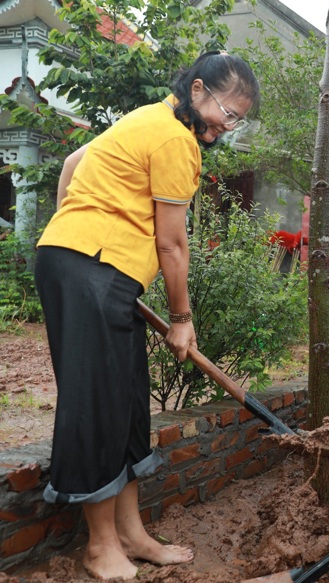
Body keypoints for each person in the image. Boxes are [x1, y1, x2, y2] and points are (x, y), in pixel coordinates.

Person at [34, 51, 259, 580]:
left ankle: (132, 534)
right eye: (227, 113)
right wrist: (181, 316)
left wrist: (73, 230)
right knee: (97, 402)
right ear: (198, 89)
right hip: (90, 269)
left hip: (95, 269)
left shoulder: (146, 118)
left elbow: (73, 165)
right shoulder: (175, 139)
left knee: (129, 401)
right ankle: (99, 546)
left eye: (238, 119)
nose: (227, 126)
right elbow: (172, 243)